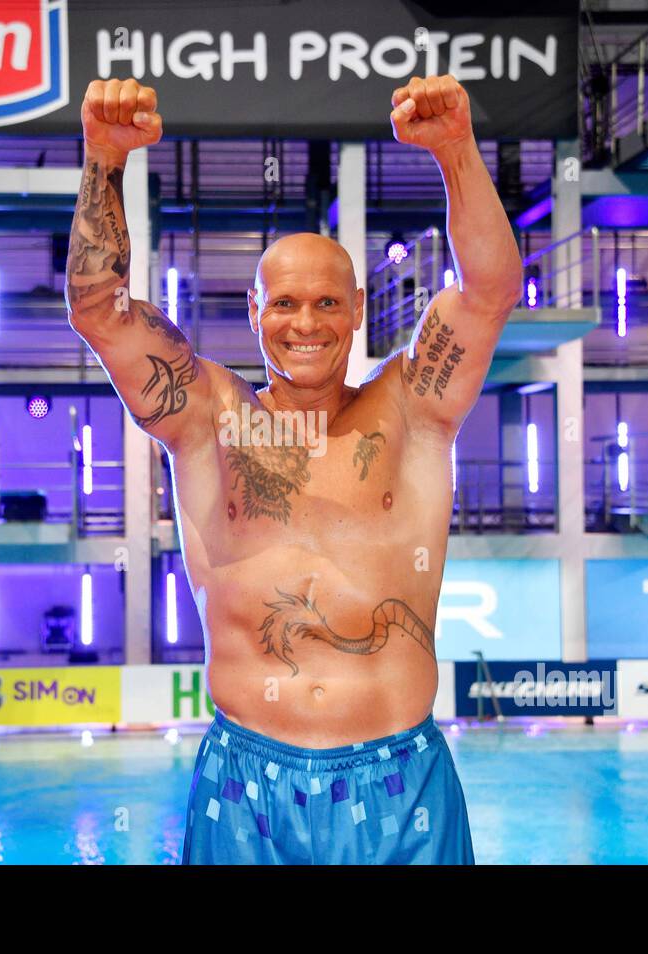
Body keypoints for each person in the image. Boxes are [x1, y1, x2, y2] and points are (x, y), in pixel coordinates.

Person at [65, 74, 522, 864]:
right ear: (254, 310)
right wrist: (104, 159)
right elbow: (97, 308)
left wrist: (454, 149)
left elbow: (489, 289)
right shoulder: (205, 414)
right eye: (284, 304)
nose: (304, 323)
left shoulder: (412, 408)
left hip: (400, 780)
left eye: (327, 304)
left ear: (358, 310)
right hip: (246, 784)